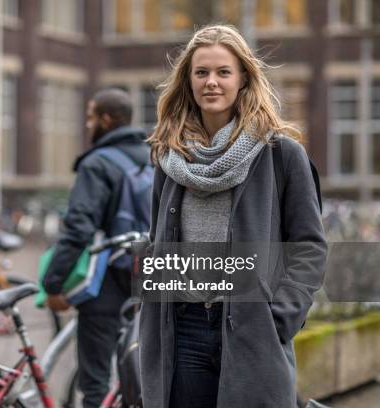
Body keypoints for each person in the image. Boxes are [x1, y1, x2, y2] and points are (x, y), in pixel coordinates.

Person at [139, 25, 327, 408]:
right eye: (201, 72)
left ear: (242, 79)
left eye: (223, 72)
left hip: (252, 329)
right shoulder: (169, 157)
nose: (212, 82)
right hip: (183, 329)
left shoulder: (281, 154)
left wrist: (281, 317)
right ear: (187, 81)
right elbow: (156, 241)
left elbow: (308, 246)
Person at [43, 88, 150, 407]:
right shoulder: (155, 157)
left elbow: (78, 227)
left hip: (106, 279)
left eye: (90, 117)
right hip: (147, 274)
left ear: (105, 120)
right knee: (140, 367)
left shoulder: (97, 163)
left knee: (95, 382)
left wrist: (53, 282)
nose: (87, 124)